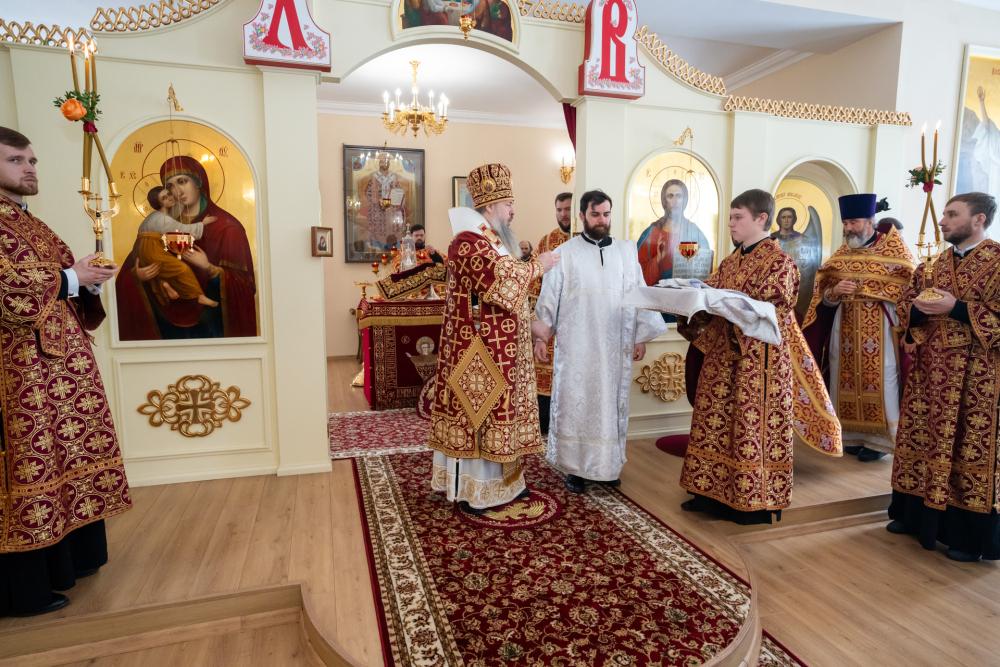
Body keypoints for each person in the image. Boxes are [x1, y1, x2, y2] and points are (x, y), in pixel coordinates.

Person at [0, 127, 131, 616]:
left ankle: (71, 562)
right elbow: (9, 293)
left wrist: (87, 282)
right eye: (16, 160)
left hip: (60, 374)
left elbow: (59, 283)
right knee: (30, 464)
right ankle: (23, 590)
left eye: (32, 160)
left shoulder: (28, 222)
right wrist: (73, 276)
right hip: (19, 377)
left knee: (66, 459)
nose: (30, 168)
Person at [678, 189, 841, 524]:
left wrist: (720, 302)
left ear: (761, 218)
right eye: (730, 217)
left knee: (748, 428)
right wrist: (687, 299)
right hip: (722, 358)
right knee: (715, 423)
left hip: (758, 364)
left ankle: (751, 500)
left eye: (738, 217)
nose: (731, 224)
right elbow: (711, 296)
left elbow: (769, 312)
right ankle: (709, 494)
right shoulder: (730, 261)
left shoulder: (781, 263)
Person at [428, 162, 558, 514]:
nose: (513, 211)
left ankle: (508, 484)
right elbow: (502, 282)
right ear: (491, 205)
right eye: (509, 204)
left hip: (501, 349)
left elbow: (509, 295)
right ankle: (476, 490)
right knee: (480, 416)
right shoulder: (466, 242)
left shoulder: (492, 241)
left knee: (502, 416)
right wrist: (540, 264)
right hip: (477, 352)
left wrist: (533, 325)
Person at [888, 192, 1000, 562]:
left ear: (979, 219)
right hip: (929, 374)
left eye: (952, 214)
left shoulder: (998, 261)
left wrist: (958, 308)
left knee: (967, 446)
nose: (942, 220)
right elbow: (905, 305)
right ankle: (912, 516)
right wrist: (917, 310)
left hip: (976, 377)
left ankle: (966, 536)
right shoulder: (932, 265)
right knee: (922, 438)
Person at [533, 190, 667, 493]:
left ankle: (607, 466)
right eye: (595, 215)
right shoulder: (565, 253)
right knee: (577, 405)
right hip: (576, 347)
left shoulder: (626, 251)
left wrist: (640, 335)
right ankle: (575, 469)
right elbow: (549, 296)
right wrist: (542, 336)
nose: (602, 220)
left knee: (609, 408)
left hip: (614, 345)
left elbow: (638, 291)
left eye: (606, 214)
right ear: (582, 216)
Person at [802, 194, 915, 462]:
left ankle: (880, 442)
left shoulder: (894, 251)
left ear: (870, 221)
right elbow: (823, 294)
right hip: (844, 326)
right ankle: (850, 435)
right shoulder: (841, 255)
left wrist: (876, 292)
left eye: (854, 222)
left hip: (881, 329)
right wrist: (834, 292)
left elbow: (910, 287)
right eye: (846, 223)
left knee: (883, 379)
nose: (849, 228)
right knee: (842, 377)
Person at [116, 155, 257, 340]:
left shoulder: (227, 227)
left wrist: (210, 268)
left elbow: (245, 286)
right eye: (170, 186)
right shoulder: (162, 223)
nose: (177, 191)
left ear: (198, 182)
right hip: (165, 329)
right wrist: (138, 275)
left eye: (182, 181)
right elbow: (132, 267)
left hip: (212, 331)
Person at [528, 192, 573, 434]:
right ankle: (544, 423)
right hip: (549, 321)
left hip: (574, 323)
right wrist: (537, 331)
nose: (563, 214)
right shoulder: (547, 241)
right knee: (544, 374)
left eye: (568, 209)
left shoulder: (583, 242)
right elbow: (534, 286)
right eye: (559, 210)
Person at [135, 185, 218, 308]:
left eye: (169, 194)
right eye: (164, 198)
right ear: (159, 203)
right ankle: (198, 296)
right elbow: (182, 229)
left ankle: (166, 286)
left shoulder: (156, 216)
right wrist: (202, 224)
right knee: (182, 269)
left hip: (147, 248)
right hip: (152, 248)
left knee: (165, 270)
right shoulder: (162, 219)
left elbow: (176, 212)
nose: (169, 198)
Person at [636, 179, 712, 286]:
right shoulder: (651, 233)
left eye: (679, 196)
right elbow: (638, 272)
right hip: (658, 293)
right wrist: (657, 259)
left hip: (688, 293)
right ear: (664, 201)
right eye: (670, 196)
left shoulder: (695, 232)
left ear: (684, 200)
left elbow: (704, 270)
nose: (675, 201)